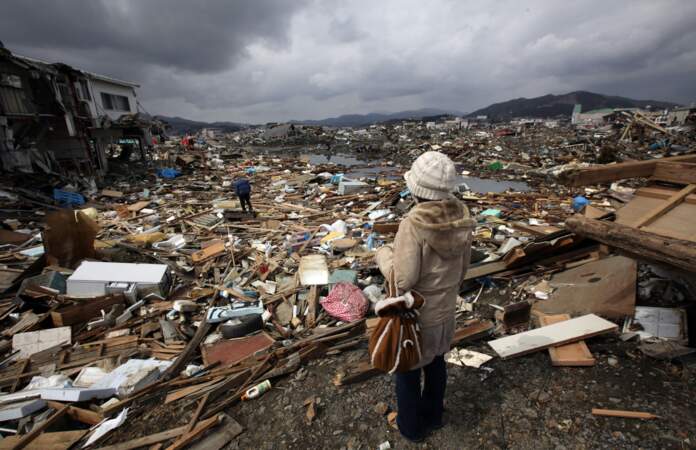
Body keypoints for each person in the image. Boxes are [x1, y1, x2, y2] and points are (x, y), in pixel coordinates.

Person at [375, 151, 475, 442]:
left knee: (407, 373)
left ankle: (412, 429)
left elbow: (404, 279)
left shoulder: (414, 224)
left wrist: (384, 256)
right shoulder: (464, 217)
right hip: (445, 310)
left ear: (416, 189)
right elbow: (463, 268)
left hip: (417, 317)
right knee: (436, 365)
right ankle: (433, 417)